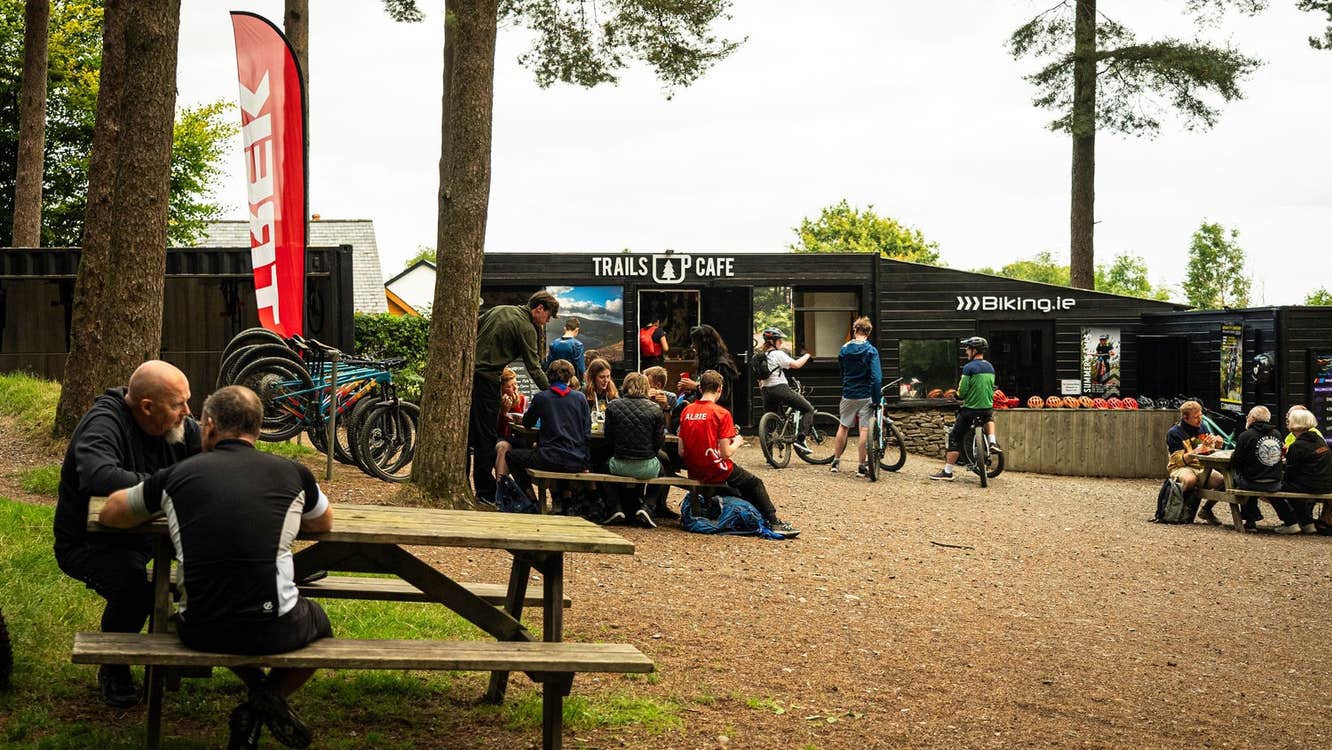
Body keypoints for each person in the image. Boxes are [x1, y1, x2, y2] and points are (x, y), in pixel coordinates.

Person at [98, 386, 334, 749]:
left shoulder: (176, 476)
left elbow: (111, 514)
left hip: (201, 627)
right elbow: (323, 523)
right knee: (321, 624)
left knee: (211, 615)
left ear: (208, 426)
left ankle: (260, 700)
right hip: (276, 628)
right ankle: (266, 697)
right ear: (257, 428)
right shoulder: (294, 474)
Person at [53, 360, 200, 708]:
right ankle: (114, 667)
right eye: (179, 404)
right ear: (147, 407)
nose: (187, 412)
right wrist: (173, 484)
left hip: (150, 540)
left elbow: (219, 456)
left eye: (188, 401)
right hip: (92, 544)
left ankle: (185, 662)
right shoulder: (103, 423)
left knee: (211, 568)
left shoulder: (177, 426)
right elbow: (100, 477)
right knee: (137, 590)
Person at [677, 370, 799, 537]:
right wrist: (738, 442)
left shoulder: (687, 411)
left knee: (743, 486)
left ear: (700, 388)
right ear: (719, 389)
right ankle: (773, 521)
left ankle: (759, 518)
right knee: (755, 483)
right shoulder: (722, 413)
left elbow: (681, 451)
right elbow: (726, 453)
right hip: (716, 469)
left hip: (694, 469)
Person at [470, 290, 558, 504]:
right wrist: (553, 394)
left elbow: (474, 327)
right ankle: (485, 492)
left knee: (469, 435)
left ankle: (466, 482)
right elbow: (534, 367)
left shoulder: (498, 310)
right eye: (547, 317)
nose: (546, 322)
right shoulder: (527, 327)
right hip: (489, 380)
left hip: (469, 376)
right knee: (486, 438)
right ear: (538, 309)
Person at [495, 359, 591, 504]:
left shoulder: (542, 397)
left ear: (549, 376)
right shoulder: (580, 398)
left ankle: (530, 497)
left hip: (549, 457)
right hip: (576, 459)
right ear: (570, 378)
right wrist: (585, 463)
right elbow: (587, 432)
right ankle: (566, 500)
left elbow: (527, 422)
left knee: (512, 456)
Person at [601, 373, 671, 528]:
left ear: (625, 386)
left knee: (602, 467)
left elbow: (608, 439)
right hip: (647, 467)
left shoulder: (613, 406)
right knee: (662, 469)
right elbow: (659, 442)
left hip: (618, 465)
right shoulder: (655, 409)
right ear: (646, 388)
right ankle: (648, 505)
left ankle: (615, 507)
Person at [930, 337, 1001, 481]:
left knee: (954, 437)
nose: (966, 350)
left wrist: (956, 395)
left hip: (970, 409)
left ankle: (948, 472)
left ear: (975, 351)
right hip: (987, 408)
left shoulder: (969, 367)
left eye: (968, 348)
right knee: (989, 417)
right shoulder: (990, 367)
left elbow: (962, 391)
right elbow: (991, 386)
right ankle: (992, 441)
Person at [830, 317, 882, 477]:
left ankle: (836, 461)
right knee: (864, 430)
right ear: (868, 332)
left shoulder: (844, 349)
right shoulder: (871, 351)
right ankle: (861, 466)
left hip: (848, 394)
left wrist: (846, 384)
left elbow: (842, 370)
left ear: (855, 330)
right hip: (865, 394)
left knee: (843, 426)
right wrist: (876, 399)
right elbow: (876, 378)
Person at [1167, 400, 1230, 525]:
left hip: (1201, 466)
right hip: (1183, 467)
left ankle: (1206, 510)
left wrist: (1217, 445)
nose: (1199, 420)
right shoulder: (1174, 433)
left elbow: (1208, 451)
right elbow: (1178, 461)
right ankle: (1176, 510)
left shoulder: (1202, 427)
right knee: (1190, 480)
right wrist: (1197, 450)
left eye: (1200, 416)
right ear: (1185, 417)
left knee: (1225, 481)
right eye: (1196, 417)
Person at [755, 326, 814, 456]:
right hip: (780, 388)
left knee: (770, 423)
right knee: (808, 409)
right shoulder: (778, 354)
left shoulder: (761, 356)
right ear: (773, 342)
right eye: (779, 340)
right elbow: (797, 365)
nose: (781, 343)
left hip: (765, 391)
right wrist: (808, 355)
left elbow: (759, 379)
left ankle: (768, 455)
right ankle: (801, 439)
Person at [1230, 405, 1284, 531]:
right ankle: (1253, 519)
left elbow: (1235, 461)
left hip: (1251, 482)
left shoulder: (1245, 436)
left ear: (1253, 419)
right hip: (1275, 483)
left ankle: (1251, 520)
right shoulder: (1277, 434)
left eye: (1248, 416)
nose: (1246, 418)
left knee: (1239, 478)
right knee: (1254, 474)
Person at [1282, 407, 1332, 534]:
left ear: (1294, 424)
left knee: (1272, 487)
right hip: (1326, 484)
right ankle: (1306, 522)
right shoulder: (1319, 440)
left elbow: (1290, 474)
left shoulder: (1297, 446)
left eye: (1289, 421)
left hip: (1310, 486)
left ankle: (1291, 522)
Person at [676, 325, 740, 413]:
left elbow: (723, 395)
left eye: (695, 342)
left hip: (717, 415)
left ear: (704, 344)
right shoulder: (705, 362)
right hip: (704, 413)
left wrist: (696, 386)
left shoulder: (721, 365)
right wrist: (689, 388)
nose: (692, 346)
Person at [497, 368, 528, 441]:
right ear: (501, 389)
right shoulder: (495, 401)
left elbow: (522, 427)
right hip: (500, 438)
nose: (515, 388)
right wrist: (503, 413)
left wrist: (516, 405)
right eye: (509, 386)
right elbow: (499, 432)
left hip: (519, 438)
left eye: (516, 384)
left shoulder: (523, 400)